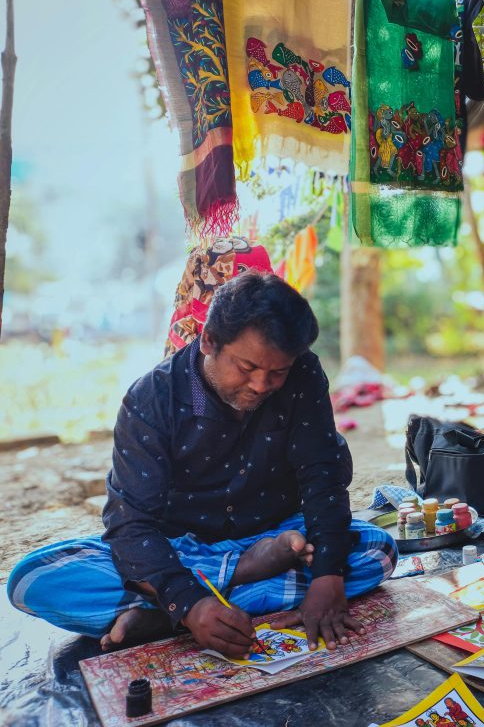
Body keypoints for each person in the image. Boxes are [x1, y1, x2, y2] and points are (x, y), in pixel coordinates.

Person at [7, 272, 397, 657]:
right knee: (33, 579)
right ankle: (236, 580)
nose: (261, 385)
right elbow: (130, 524)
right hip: (183, 550)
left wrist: (328, 575)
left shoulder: (304, 372)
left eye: (277, 372)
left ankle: (162, 617)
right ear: (209, 341)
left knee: (378, 550)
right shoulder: (152, 399)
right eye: (246, 368)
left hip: (279, 533)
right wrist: (189, 603)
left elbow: (322, 474)